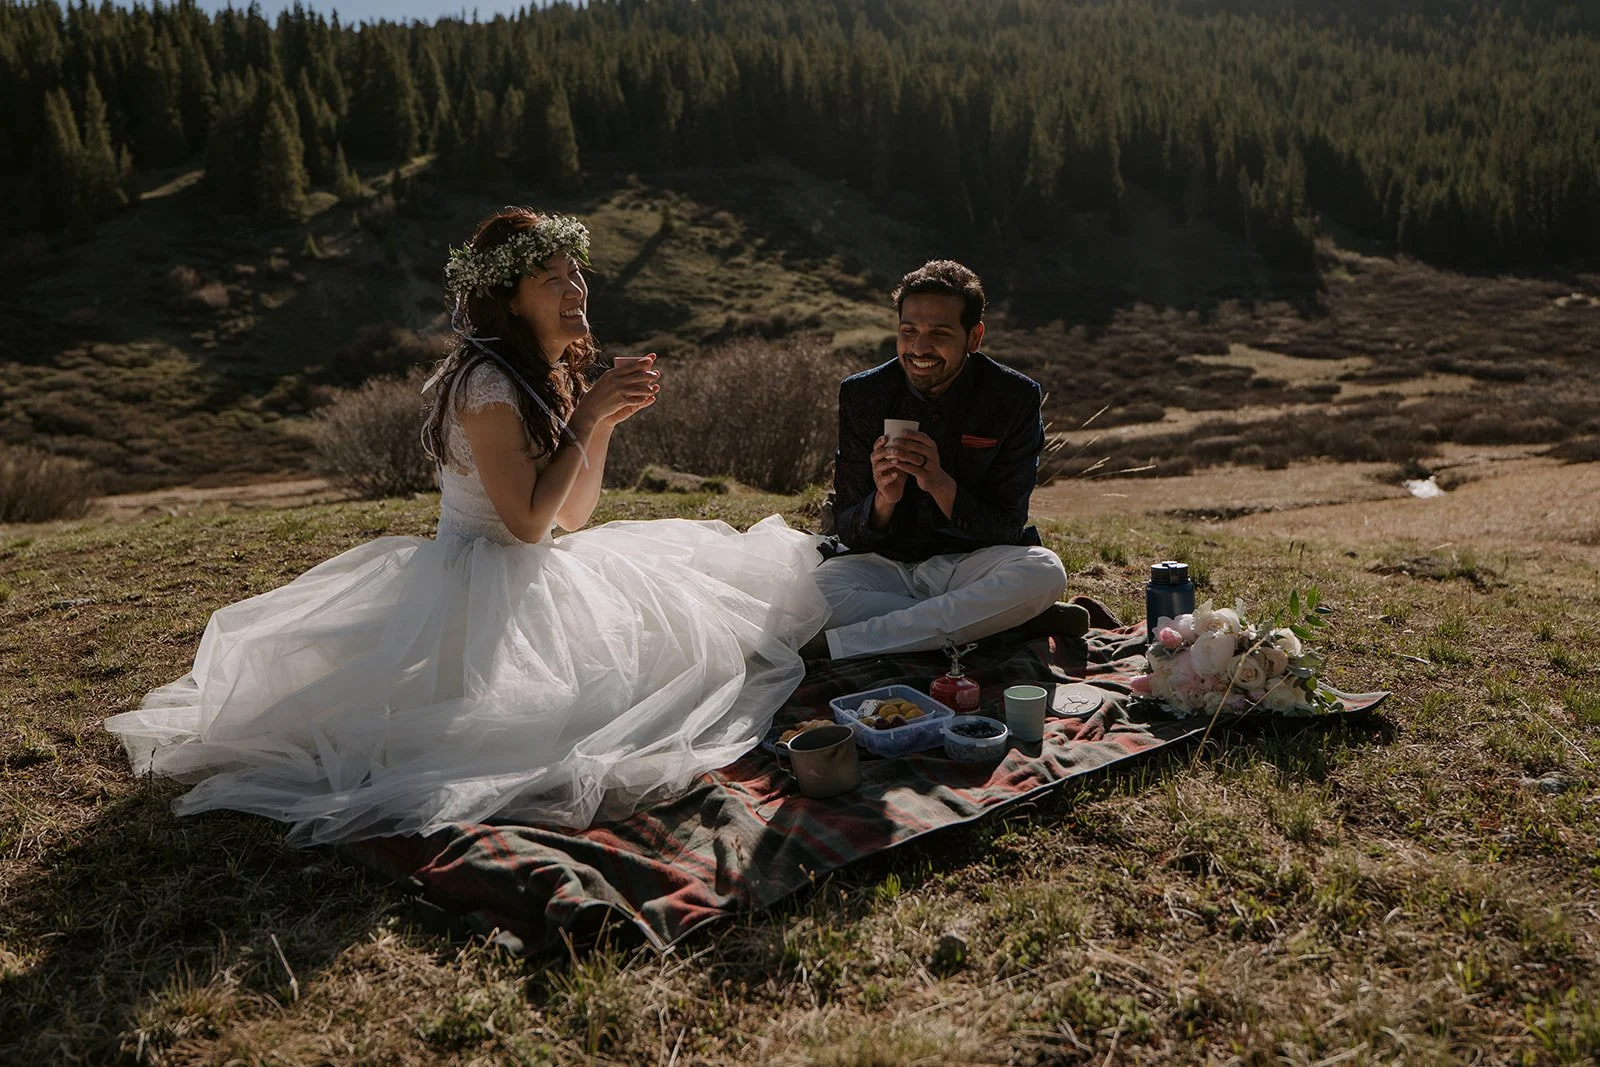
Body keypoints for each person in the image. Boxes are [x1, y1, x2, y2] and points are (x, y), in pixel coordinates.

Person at [106, 207, 830, 844]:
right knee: (540, 730)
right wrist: (586, 414)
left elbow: (571, 515)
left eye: (576, 271)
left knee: (683, 646)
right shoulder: (486, 386)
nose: (575, 288)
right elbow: (521, 526)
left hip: (538, 565)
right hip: (477, 579)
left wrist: (602, 418)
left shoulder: (548, 369)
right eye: (552, 277)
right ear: (511, 300)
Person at [805, 259, 1085, 660]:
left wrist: (939, 483)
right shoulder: (862, 394)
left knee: (1045, 571)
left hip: (972, 563)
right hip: (885, 567)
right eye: (908, 332)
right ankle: (1005, 623)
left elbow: (1006, 526)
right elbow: (850, 529)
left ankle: (849, 644)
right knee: (809, 596)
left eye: (939, 333)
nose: (919, 348)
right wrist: (884, 498)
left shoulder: (1013, 398)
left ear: (974, 337)